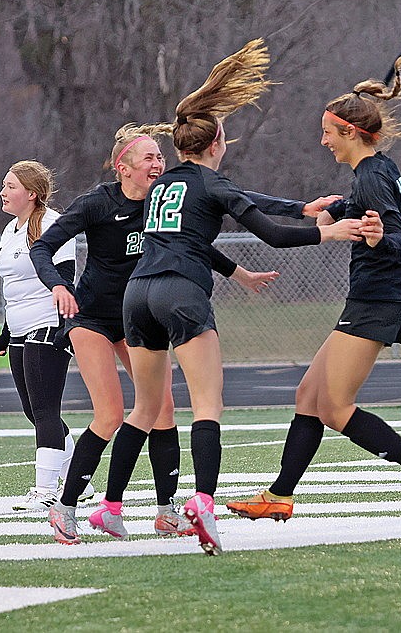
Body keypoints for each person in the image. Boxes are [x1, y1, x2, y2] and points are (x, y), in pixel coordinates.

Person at [87, 38, 365, 556]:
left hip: (136, 294)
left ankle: (109, 507)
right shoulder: (212, 186)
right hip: (180, 293)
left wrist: (301, 207)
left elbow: (242, 201)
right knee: (207, 405)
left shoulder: (163, 183)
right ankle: (204, 505)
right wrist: (331, 230)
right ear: (216, 142)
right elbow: (268, 231)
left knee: (144, 408)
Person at [32, 123, 338, 544]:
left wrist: (245, 268)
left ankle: (163, 510)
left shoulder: (161, 198)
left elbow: (204, 234)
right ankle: (65, 510)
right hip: (94, 318)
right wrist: (59, 285)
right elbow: (42, 247)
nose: (158, 163)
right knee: (111, 414)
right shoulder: (98, 203)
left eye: (161, 156)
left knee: (162, 409)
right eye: (148, 159)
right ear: (123, 168)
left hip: (136, 310)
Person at [225, 58, 401, 525]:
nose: (323, 140)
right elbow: (373, 212)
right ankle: (280, 496)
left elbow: (395, 236)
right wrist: (340, 209)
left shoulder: (371, 174)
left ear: (348, 132)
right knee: (308, 395)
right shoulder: (374, 171)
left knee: (333, 406)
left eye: (328, 132)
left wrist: (375, 234)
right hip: (369, 297)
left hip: (379, 299)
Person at [0, 160, 82, 511]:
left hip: (48, 324)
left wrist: (64, 327)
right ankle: (77, 474)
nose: (3, 192)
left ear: (31, 193)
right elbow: (13, 285)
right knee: (33, 410)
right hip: (19, 327)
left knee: (46, 409)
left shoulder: (51, 225)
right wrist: (5, 331)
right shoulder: (10, 229)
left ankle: (45, 491)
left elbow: (65, 277)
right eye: (4, 185)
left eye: (11, 186)